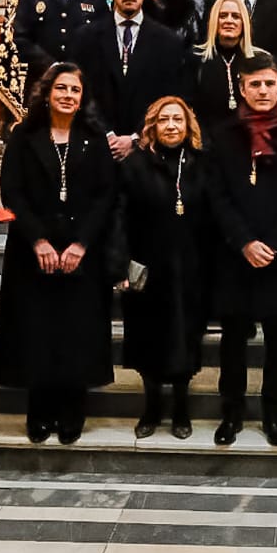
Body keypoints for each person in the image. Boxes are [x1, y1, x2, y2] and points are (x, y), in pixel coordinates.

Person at [0, 65, 117, 445]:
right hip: (34, 250)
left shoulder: (94, 138)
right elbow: (12, 192)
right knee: (38, 330)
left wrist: (81, 244)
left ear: (82, 98)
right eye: (60, 88)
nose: (67, 95)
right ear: (46, 94)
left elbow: (105, 196)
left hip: (82, 252)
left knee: (75, 331)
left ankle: (72, 411)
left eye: (75, 90)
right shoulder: (23, 137)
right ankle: (39, 411)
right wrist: (39, 241)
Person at [205, 51, 277, 446]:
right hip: (236, 253)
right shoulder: (222, 134)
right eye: (255, 84)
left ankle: (273, 414)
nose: (263, 90)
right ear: (242, 88)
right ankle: (231, 413)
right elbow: (216, 196)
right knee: (233, 340)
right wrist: (245, 242)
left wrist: (275, 243)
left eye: (270, 83)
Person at [115, 97, 210, 439]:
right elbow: (120, 217)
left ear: (189, 126)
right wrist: (121, 264)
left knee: (186, 339)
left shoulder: (200, 163)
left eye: (178, 120)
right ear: (152, 126)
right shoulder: (135, 165)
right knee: (147, 340)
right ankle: (152, 407)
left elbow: (212, 218)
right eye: (164, 120)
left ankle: (182, 409)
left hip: (191, 268)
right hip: (147, 267)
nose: (172, 126)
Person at [69, 0, 188, 161]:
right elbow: (82, 91)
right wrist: (106, 134)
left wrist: (135, 138)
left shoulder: (168, 41)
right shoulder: (86, 37)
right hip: (97, 148)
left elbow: (169, 94)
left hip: (148, 152)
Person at [191, 0, 260, 134]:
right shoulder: (195, 58)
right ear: (214, 22)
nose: (229, 21)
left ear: (244, 23)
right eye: (223, 16)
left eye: (236, 16)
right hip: (206, 143)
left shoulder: (258, 60)